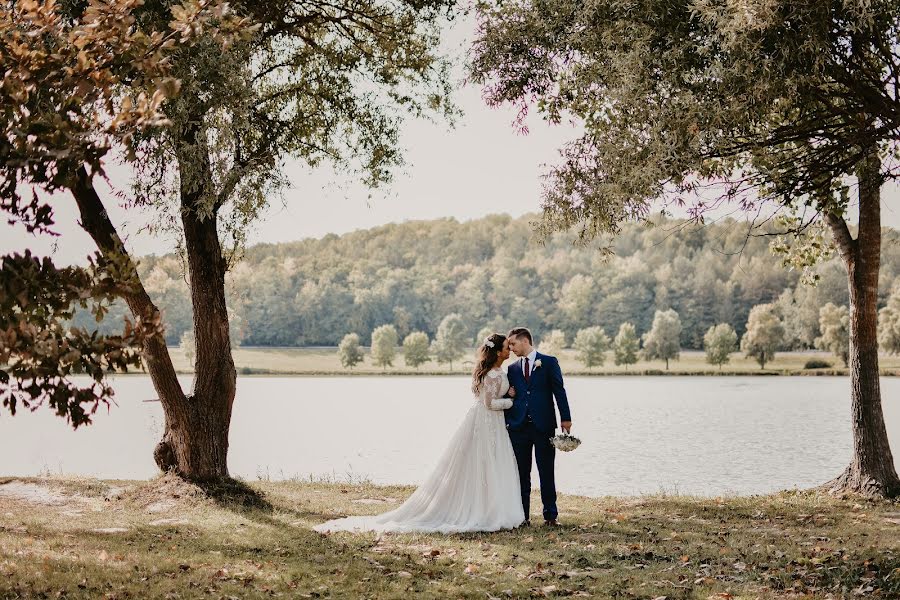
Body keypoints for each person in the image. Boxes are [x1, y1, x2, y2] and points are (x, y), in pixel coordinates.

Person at [313, 333, 525, 533]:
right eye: (507, 347)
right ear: (498, 352)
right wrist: (511, 400)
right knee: (483, 461)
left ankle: (491, 506)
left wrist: (506, 394)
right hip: (487, 421)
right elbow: (489, 403)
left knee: (488, 463)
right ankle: (483, 509)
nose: (510, 350)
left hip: (489, 423)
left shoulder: (494, 372)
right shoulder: (493, 374)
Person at [505, 327, 572, 526]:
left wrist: (565, 418)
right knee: (522, 474)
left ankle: (550, 516)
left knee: (546, 471)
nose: (511, 349)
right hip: (519, 427)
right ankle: (522, 516)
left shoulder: (549, 362)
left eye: (513, 344)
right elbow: (513, 396)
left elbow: (559, 391)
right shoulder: (513, 369)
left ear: (525, 341)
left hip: (543, 426)